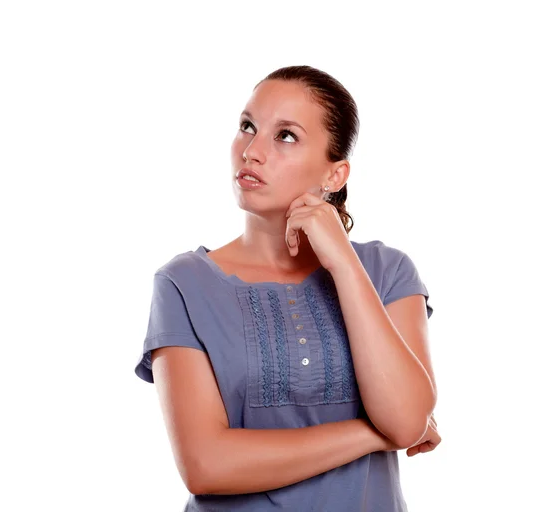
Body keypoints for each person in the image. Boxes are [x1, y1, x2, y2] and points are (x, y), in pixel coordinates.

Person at [134, 65, 440, 511]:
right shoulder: (183, 284)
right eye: (247, 127)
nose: (252, 151)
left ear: (335, 176)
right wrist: (371, 433)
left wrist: (344, 263)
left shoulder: (387, 272)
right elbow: (206, 464)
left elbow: (407, 417)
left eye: (286, 136)